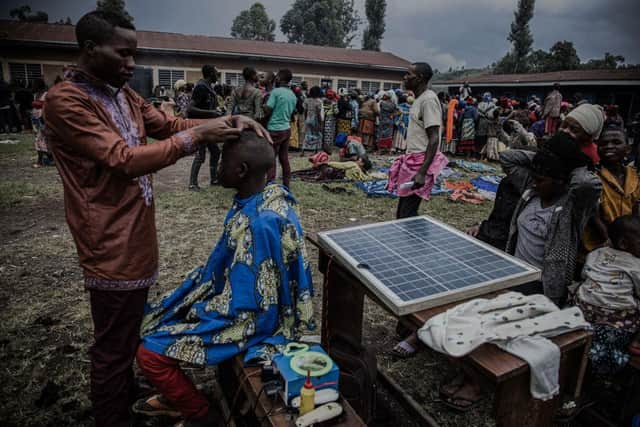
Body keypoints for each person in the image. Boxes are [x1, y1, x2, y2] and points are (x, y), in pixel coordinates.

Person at [42, 11, 268, 427]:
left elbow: (169, 124)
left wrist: (226, 122)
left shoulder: (122, 94)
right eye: (123, 53)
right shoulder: (67, 100)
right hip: (108, 238)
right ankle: (113, 416)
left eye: (135, 54)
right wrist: (197, 137)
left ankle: (126, 392)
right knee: (112, 346)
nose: (132, 63)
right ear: (91, 49)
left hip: (136, 231)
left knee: (129, 329)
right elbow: (123, 159)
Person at [134, 131, 315, 426]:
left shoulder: (260, 224)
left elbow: (250, 305)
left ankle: (204, 416)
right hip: (243, 297)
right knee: (154, 316)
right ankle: (175, 398)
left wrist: (200, 310)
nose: (217, 168)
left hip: (252, 317)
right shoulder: (268, 198)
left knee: (150, 353)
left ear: (241, 171)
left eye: (221, 164)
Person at [572, 215, 640, 375]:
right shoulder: (636, 265)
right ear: (624, 244)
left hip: (581, 309)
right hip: (613, 320)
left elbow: (585, 274)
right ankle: (633, 345)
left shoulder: (597, 253)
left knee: (581, 289)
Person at [388, 62, 444, 219]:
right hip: (412, 160)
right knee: (403, 212)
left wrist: (422, 172)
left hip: (420, 163)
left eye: (408, 74)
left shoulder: (429, 100)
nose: (405, 77)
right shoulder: (418, 99)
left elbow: (434, 138)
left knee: (407, 213)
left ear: (420, 78)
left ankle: (412, 242)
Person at [582, 125, 640, 251]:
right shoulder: (591, 177)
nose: (609, 146)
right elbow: (593, 215)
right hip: (599, 246)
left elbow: (635, 210)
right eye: (604, 143)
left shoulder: (635, 176)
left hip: (630, 244)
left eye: (616, 142)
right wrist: (611, 241)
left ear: (628, 149)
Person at [188, 64, 223, 191]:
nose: (217, 75)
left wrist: (217, 110)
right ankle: (192, 184)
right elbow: (190, 109)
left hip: (209, 126)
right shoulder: (201, 87)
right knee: (200, 155)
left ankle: (213, 179)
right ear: (210, 74)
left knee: (215, 151)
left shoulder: (209, 88)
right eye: (216, 72)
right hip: (200, 126)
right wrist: (211, 113)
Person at [263, 69, 297, 188]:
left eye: (277, 77)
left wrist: (262, 104)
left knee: (271, 157)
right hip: (286, 129)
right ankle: (286, 186)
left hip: (274, 129)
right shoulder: (293, 95)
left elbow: (268, 110)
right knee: (284, 158)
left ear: (279, 79)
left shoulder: (275, 92)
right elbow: (292, 113)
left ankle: (270, 185)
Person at [30, 78, 52, 167]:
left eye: (34, 84)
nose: (32, 86)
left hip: (43, 119)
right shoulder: (36, 95)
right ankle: (49, 158)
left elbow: (48, 107)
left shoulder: (46, 94)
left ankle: (40, 161)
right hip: (35, 119)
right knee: (39, 139)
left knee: (40, 139)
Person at [301, 86, 323, 155]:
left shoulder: (306, 100)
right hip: (315, 119)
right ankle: (315, 150)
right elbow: (318, 113)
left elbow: (305, 111)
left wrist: (305, 119)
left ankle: (303, 151)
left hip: (308, 118)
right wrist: (320, 123)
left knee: (307, 134)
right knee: (317, 135)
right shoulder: (319, 101)